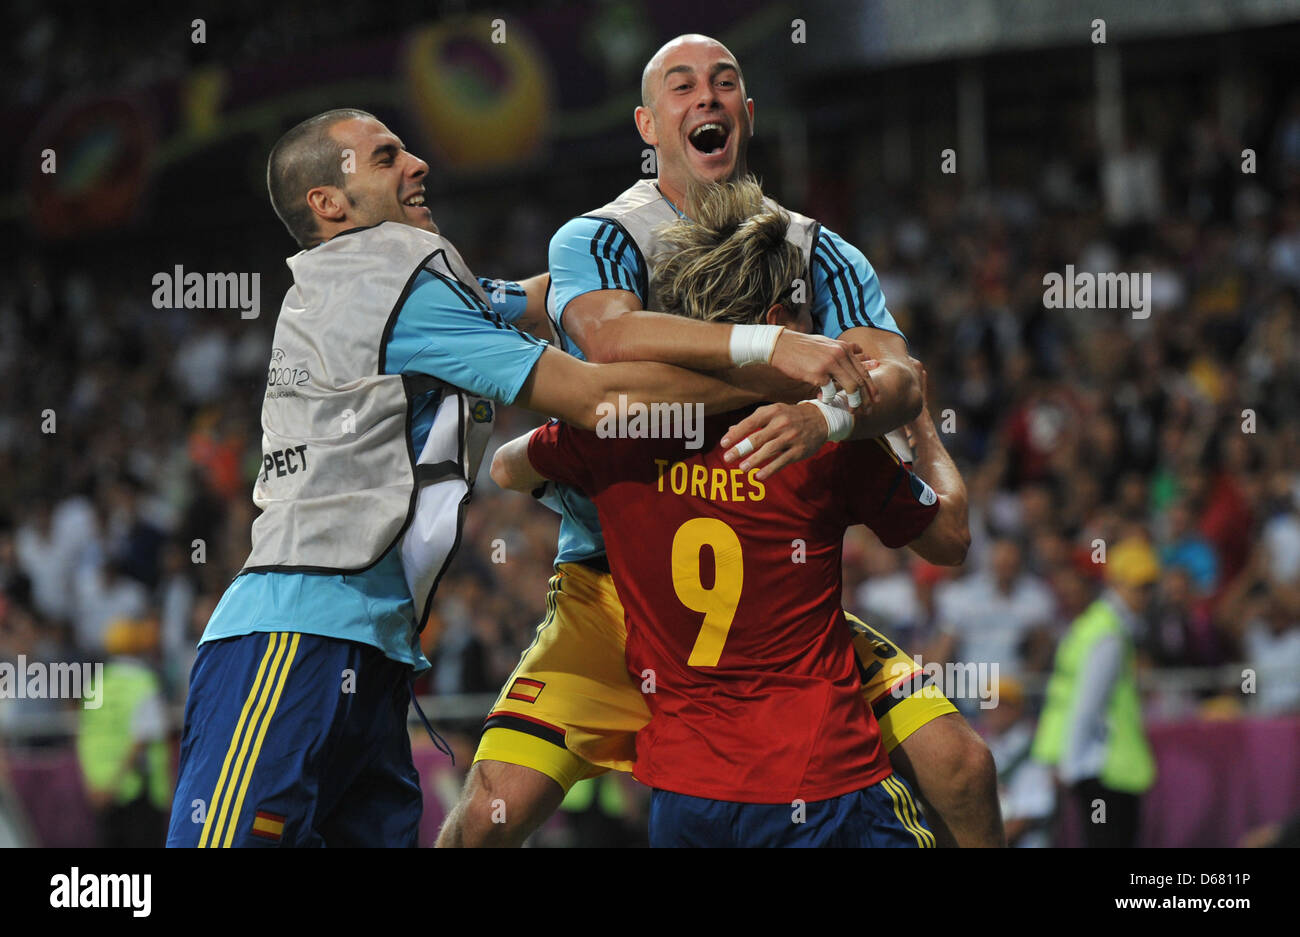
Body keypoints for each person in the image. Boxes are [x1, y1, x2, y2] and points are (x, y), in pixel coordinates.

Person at [165, 108, 786, 848]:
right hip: (294, 636)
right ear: (328, 203)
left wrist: (665, 255)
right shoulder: (396, 278)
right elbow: (597, 399)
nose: (418, 163)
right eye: (387, 155)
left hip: (370, 649)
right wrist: (768, 369)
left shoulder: (381, 280)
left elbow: (547, 299)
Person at [441, 34, 1001, 848]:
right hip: (611, 584)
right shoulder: (599, 238)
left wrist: (830, 414)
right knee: (488, 818)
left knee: (960, 761)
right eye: (681, 86)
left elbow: (900, 382)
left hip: (759, 600)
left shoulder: (812, 248)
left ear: (746, 111)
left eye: (725, 82)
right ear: (646, 122)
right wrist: (779, 358)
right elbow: (607, 356)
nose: (706, 97)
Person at [1032, 537, 1158, 848]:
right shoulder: (1109, 635)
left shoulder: (1095, 626)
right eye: (1138, 586)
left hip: (1092, 764)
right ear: (1115, 583)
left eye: (1148, 586)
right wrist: (1071, 767)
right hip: (1103, 765)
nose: (1145, 595)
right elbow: (1087, 705)